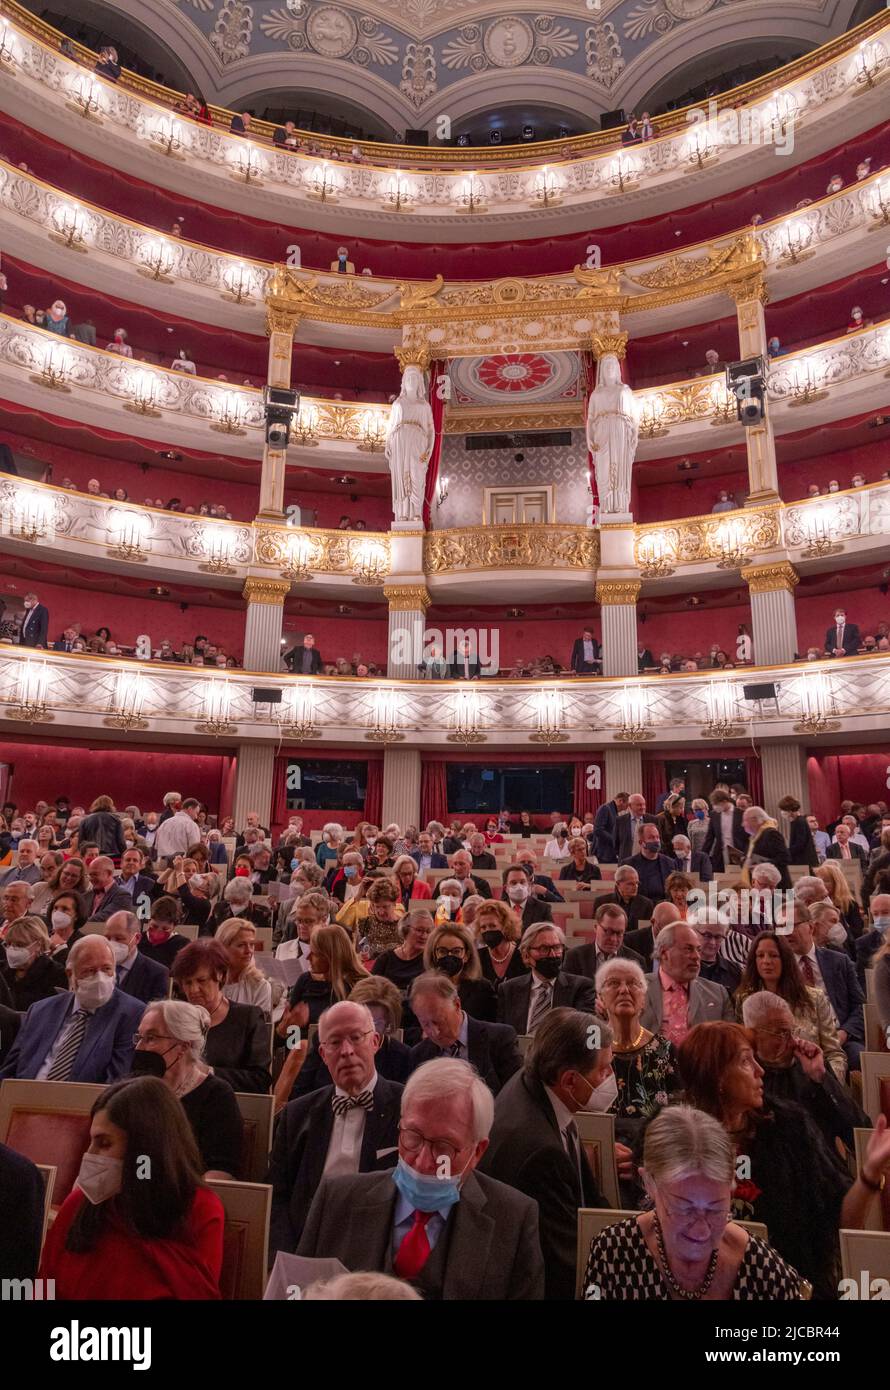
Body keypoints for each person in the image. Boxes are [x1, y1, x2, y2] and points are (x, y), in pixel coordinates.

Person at [298, 1057, 544, 1298]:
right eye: (413, 1137)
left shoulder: (514, 1220)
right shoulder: (337, 1200)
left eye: (444, 1147)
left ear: (478, 1151)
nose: (423, 1161)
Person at [677, 1021, 890, 1300]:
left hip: (790, 1288)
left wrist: (870, 1173)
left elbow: (841, 1218)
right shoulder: (676, 1139)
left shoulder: (788, 1129)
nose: (760, 1070)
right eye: (745, 1061)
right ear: (717, 1077)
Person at [582, 1104, 805, 1300]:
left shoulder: (763, 1271)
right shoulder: (613, 1254)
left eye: (716, 1209)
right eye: (684, 1208)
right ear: (649, 1183)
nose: (701, 1230)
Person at [40, 1077, 223, 1299]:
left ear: (142, 1149)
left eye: (104, 1143)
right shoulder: (78, 1204)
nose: (90, 1155)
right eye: (92, 1142)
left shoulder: (200, 1210)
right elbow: (43, 1290)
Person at [480, 1008, 612, 1300]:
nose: (611, 1078)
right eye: (603, 1070)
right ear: (569, 1080)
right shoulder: (540, 1152)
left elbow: (586, 1196)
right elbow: (565, 1259)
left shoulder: (535, 1082)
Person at [269, 1000, 404, 1253]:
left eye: (356, 1037)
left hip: (378, 1251)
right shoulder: (297, 1114)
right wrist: (286, 1260)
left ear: (375, 1042)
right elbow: (277, 1197)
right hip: (309, 1244)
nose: (346, 1051)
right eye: (334, 1042)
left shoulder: (407, 1108)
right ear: (322, 1053)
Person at [0, 935, 143, 1082]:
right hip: (24, 1098)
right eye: (90, 970)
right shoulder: (40, 1011)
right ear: (70, 974)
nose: (100, 978)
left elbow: (116, 1083)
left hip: (81, 1102)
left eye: (106, 969)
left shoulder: (131, 1015)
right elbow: (8, 1072)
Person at [742, 993, 868, 1153]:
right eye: (781, 1033)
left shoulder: (809, 1067)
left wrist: (822, 1078)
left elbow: (860, 1134)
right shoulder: (745, 1080)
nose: (793, 1042)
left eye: (792, 1031)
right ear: (752, 1034)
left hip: (823, 1171)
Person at [131, 1001, 243, 1179]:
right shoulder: (132, 1088)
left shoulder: (216, 1095)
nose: (139, 1047)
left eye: (151, 1038)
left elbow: (222, 1170)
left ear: (183, 1046)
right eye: (139, 1037)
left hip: (185, 1197)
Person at [736, 929, 846, 1081]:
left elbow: (834, 1054)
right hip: (766, 1084)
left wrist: (823, 1080)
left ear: (786, 959)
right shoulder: (745, 1000)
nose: (766, 961)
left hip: (811, 1081)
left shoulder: (814, 998)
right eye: (760, 956)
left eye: (773, 955)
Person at [171, 939, 271, 1093]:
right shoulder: (173, 1019)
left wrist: (208, 1071)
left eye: (201, 980)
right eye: (187, 983)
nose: (193, 990)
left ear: (221, 975)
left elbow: (260, 1080)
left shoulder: (248, 1018)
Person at [408, 971, 520, 1094]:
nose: (435, 1032)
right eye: (425, 1024)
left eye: (439, 1021)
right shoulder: (419, 1055)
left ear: (457, 1004)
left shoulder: (500, 1039)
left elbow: (515, 1097)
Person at [640, 921, 734, 1046]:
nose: (696, 957)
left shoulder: (718, 994)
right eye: (688, 949)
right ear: (664, 954)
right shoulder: (636, 989)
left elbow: (730, 1045)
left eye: (698, 949)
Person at [496, 922, 597, 1035]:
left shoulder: (581, 988)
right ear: (526, 955)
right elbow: (502, 1036)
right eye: (544, 949)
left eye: (557, 947)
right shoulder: (508, 990)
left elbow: (589, 1035)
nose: (553, 955)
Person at [280, 924, 368, 1036]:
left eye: (314, 954)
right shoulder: (305, 981)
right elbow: (291, 1039)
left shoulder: (357, 987)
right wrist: (284, 1029)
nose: (307, 957)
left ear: (330, 957)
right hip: (300, 1051)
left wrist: (308, 1019)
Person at [1, 915, 66, 1009]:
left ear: (38, 945)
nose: (12, 950)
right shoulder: (2, 970)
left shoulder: (55, 974)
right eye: (9, 944)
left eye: (20, 944)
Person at [103, 911, 169, 1004]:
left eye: (119, 938)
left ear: (137, 938)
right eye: (108, 938)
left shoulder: (156, 973)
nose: (112, 943)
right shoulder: (97, 968)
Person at [215, 918, 272, 1017]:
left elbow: (259, 1028)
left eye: (252, 945)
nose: (249, 951)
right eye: (241, 945)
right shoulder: (209, 982)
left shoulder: (259, 985)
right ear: (223, 948)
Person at [371, 907, 433, 993]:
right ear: (405, 929)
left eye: (428, 931)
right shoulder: (386, 959)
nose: (424, 936)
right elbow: (370, 989)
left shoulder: (431, 961)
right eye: (419, 930)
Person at [475, 899, 527, 988]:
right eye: (483, 927)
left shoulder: (523, 956)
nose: (487, 930)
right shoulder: (476, 958)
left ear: (506, 926)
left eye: (492, 926)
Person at [621, 823, 677, 902]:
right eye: (651, 837)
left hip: (664, 906)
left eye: (657, 837)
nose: (656, 841)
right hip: (639, 908)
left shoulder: (670, 863)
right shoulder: (628, 864)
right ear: (641, 842)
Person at [741, 806, 791, 890]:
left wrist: (761, 865)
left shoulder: (771, 834)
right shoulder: (754, 837)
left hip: (777, 887)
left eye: (745, 820)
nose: (742, 824)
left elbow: (785, 858)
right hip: (760, 886)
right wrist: (743, 860)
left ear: (755, 820)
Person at [691, 909, 742, 993]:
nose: (712, 942)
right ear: (693, 932)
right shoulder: (684, 968)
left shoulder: (735, 972)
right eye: (707, 935)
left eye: (718, 937)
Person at [777, 796, 819, 869]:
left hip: (804, 861)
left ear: (789, 810)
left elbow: (800, 843)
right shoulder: (796, 821)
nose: (782, 812)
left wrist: (786, 852)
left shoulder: (799, 822)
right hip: (802, 860)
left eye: (783, 810)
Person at [78, 795, 126, 860]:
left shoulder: (85, 820)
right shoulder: (116, 820)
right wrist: (124, 854)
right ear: (111, 806)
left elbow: (81, 842)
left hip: (92, 855)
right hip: (113, 855)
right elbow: (121, 842)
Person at [615, 795, 659, 861]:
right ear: (630, 806)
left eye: (644, 804)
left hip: (648, 860)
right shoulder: (620, 821)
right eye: (639, 805)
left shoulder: (653, 819)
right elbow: (615, 842)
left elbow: (659, 840)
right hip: (626, 861)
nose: (643, 807)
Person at [590, 791, 629, 861]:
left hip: (609, 853)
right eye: (627, 804)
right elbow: (598, 830)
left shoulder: (613, 811)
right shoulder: (605, 808)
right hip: (603, 853)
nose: (627, 807)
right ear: (621, 801)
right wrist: (614, 839)